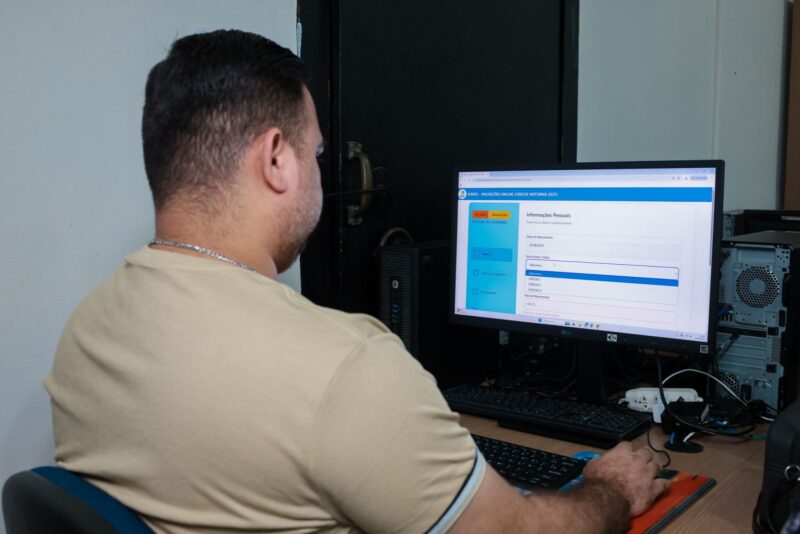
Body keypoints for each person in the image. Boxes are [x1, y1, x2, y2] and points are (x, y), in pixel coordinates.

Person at [45, 29, 669, 533]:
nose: (324, 175)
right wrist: (609, 489)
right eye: (317, 155)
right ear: (275, 159)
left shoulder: (89, 327)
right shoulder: (344, 366)